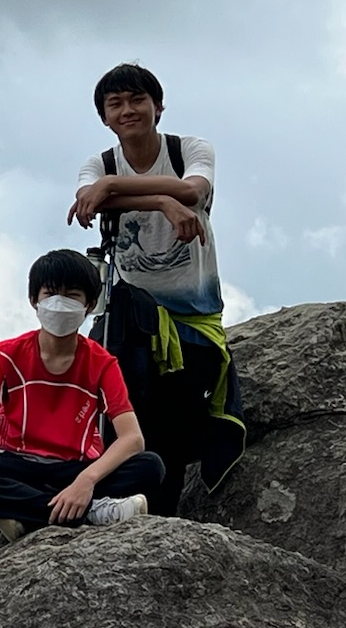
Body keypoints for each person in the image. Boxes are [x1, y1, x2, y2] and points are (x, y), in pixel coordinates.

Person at [67, 62, 243, 515]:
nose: (127, 110)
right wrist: (163, 199)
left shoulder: (188, 151)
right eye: (115, 104)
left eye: (137, 100)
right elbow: (87, 203)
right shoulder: (99, 164)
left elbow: (193, 190)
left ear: (158, 106)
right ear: (104, 117)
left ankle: (160, 516)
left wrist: (113, 189)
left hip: (193, 318)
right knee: (121, 415)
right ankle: (111, 506)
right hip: (132, 319)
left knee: (178, 423)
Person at [0, 248, 165, 538]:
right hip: (15, 464)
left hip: (73, 469)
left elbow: (133, 439)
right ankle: (92, 512)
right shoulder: (6, 355)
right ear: (34, 300)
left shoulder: (101, 363)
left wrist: (86, 481)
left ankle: (27, 512)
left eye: (72, 295)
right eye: (50, 294)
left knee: (150, 467)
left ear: (90, 304)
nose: (59, 303)